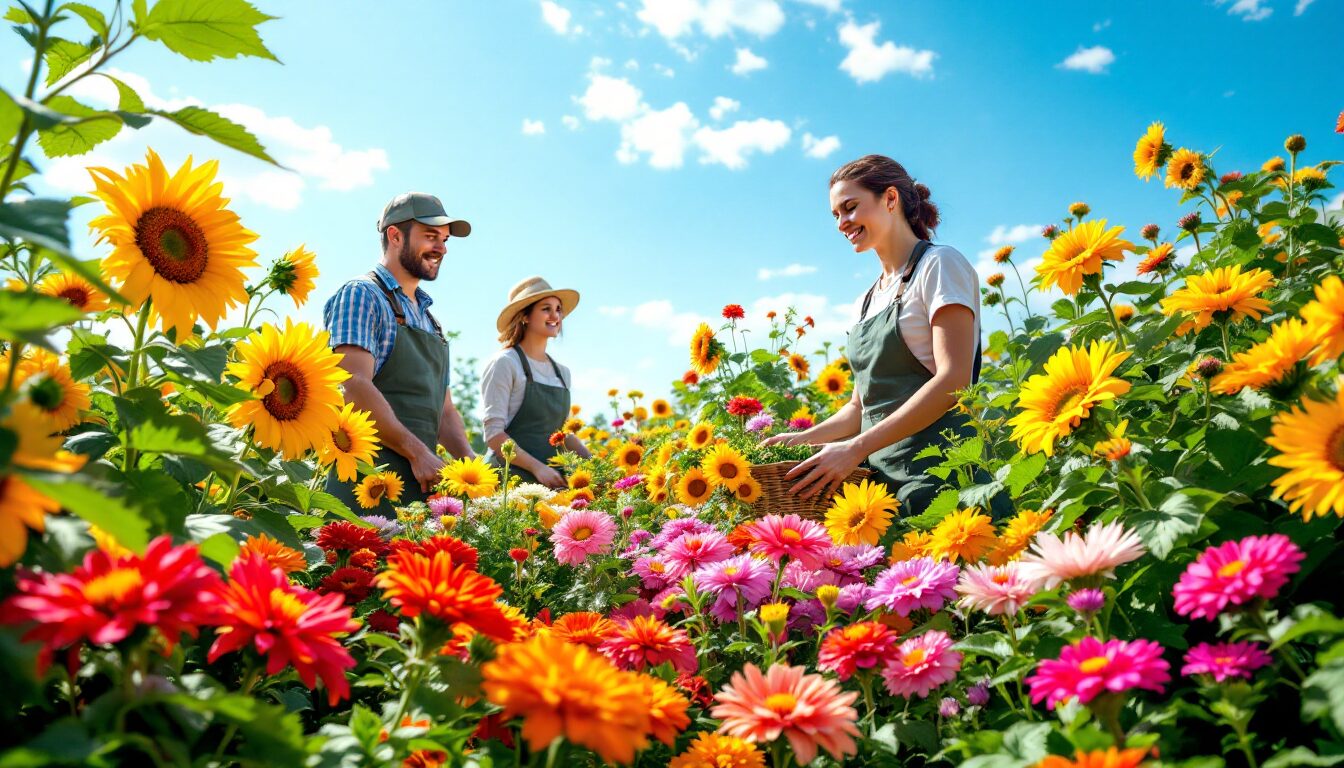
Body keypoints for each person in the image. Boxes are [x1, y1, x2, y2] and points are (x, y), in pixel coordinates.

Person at [763, 154, 995, 516]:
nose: (842, 223)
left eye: (850, 208)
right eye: (836, 215)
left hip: (944, 480)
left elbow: (954, 381)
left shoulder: (938, 266)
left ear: (890, 199)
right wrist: (796, 441)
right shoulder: (866, 301)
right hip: (881, 491)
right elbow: (859, 408)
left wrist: (854, 448)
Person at [322, 192, 476, 515]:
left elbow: (445, 413)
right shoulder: (362, 295)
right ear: (395, 236)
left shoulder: (430, 320)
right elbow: (353, 385)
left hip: (419, 491)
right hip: (365, 486)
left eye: (445, 240)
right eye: (431, 236)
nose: (442, 248)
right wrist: (417, 452)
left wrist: (474, 474)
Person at [481, 276, 590, 487]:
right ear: (525, 317)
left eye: (558, 309)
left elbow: (561, 434)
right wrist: (538, 468)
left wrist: (595, 464)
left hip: (552, 479)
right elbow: (494, 435)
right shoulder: (505, 363)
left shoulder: (562, 373)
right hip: (508, 481)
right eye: (546, 308)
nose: (555, 315)